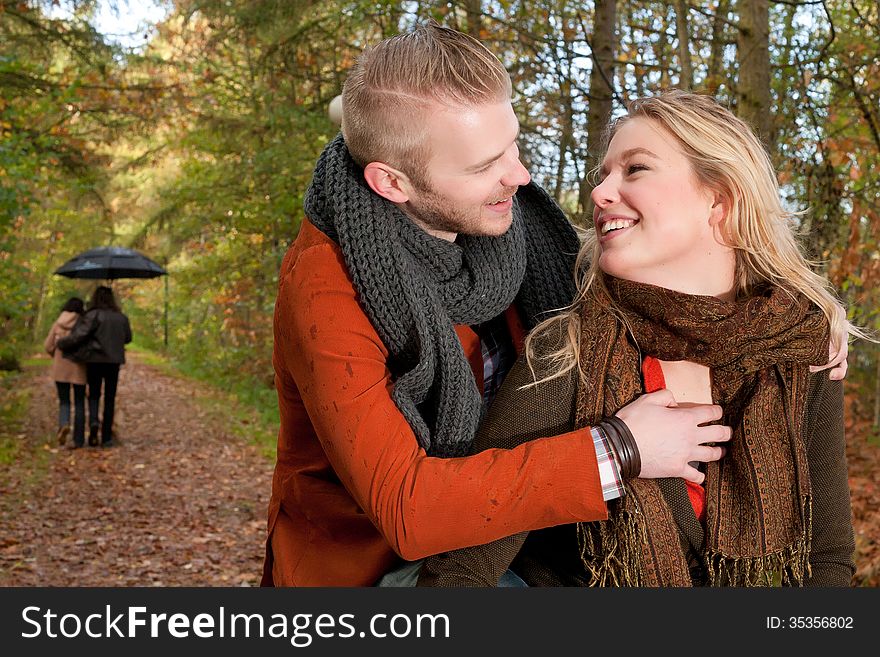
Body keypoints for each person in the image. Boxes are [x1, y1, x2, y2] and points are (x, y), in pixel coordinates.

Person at [262, 23, 847, 587]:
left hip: (517, 532)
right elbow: (409, 510)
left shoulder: (522, 235)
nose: (520, 174)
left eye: (511, 144)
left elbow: (661, 272)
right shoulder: (327, 287)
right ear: (392, 184)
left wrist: (805, 313)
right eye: (484, 165)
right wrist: (619, 449)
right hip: (375, 567)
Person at [417, 90, 861, 587]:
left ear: (719, 199)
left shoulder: (801, 349)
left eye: (635, 169)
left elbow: (826, 561)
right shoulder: (569, 351)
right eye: (604, 175)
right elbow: (462, 565)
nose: (601, 193)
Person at [57, 285, 132, 448]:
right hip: (114, 362)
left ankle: (93, 423)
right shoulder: (121, 317)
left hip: (95, 360)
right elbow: (128, 338)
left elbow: (80, 335)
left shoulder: (92, 315)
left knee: (94, 395)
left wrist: (62, 343)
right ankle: (106, 438)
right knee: (110, 398)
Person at [44, 297, 88, 448]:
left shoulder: (58, 323)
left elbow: (48, 346)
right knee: (80, 403)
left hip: (60, 368)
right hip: (79, 368)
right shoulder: (84, 324)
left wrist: (55, 355)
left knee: (64, 401)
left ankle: (64, 424)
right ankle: (79, 440)